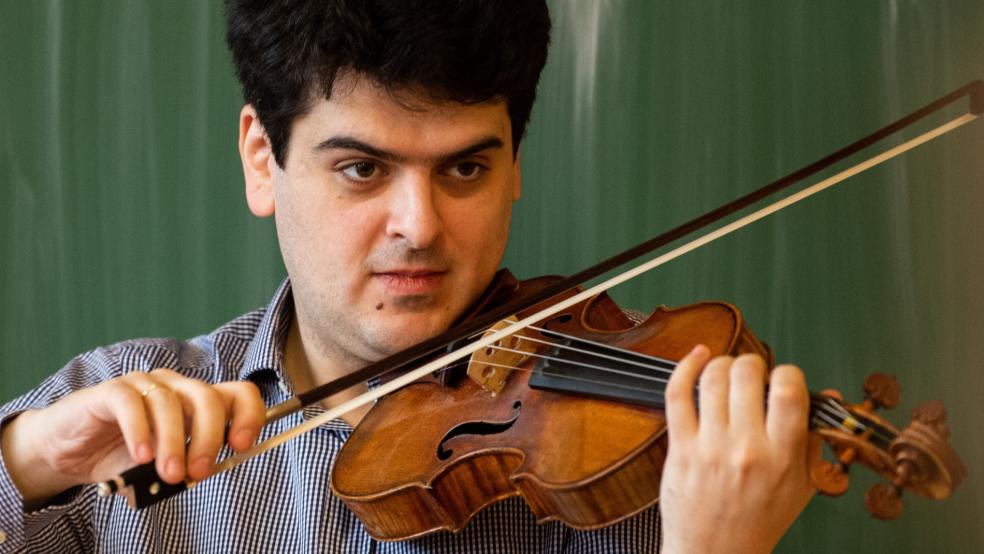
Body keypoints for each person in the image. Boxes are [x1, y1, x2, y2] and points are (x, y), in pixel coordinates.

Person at [0, 1, 819, 552]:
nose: (421, 227)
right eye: (362, 169)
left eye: (465, 169)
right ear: (262, 159)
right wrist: (29, 459)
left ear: (515, 167)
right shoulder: (115, 418)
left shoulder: (650, 472)